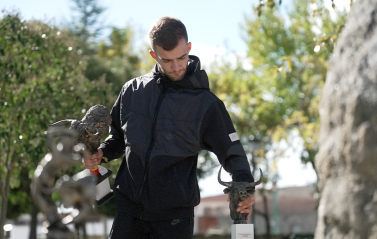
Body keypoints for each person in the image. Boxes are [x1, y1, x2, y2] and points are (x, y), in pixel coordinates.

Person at [83, 16, 255, 239]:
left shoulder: (205, 104)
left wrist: (245, 187)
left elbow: (232, 152)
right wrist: (101, 154)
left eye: (182, 57)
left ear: (189, 48)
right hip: (129, 212)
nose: (176, 67)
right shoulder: (132, 91)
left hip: (174, 219)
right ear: (154, 55)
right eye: (167, 60)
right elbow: (118, 138)